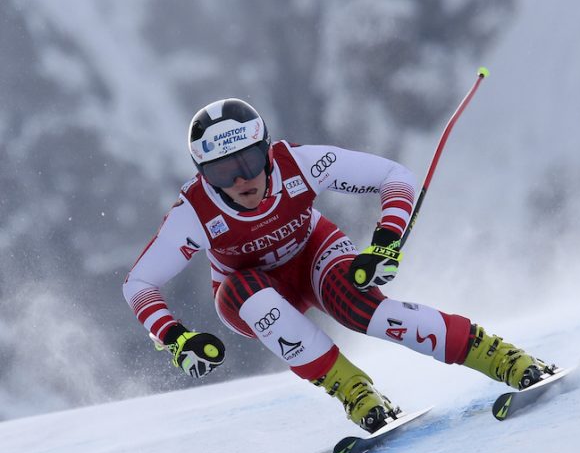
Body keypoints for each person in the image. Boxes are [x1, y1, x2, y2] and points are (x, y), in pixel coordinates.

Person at [123, 98, 552, 432]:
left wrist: (385, 240)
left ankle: (501, 357)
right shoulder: (193, 212)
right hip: (247, 292)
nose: (241, 181)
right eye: (221, 173)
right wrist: (175, 337)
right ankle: (357, 393)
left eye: (249, 162)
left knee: (366, 313)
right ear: (202, 174)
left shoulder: (301, 164)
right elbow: (139, 282)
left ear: (266, 150)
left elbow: (395, 177)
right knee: (247, 293)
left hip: (313, 254)